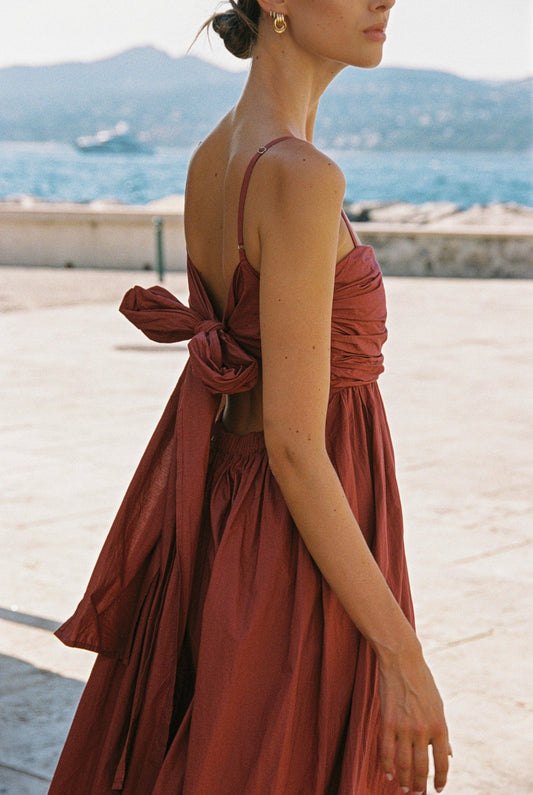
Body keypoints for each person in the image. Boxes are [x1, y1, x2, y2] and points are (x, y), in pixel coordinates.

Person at [49, 1, 451, 793]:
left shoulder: (214, 155)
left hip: (231, 510)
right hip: (297, 542)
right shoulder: (299, 175)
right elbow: (295, 448)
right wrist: (402, 656)